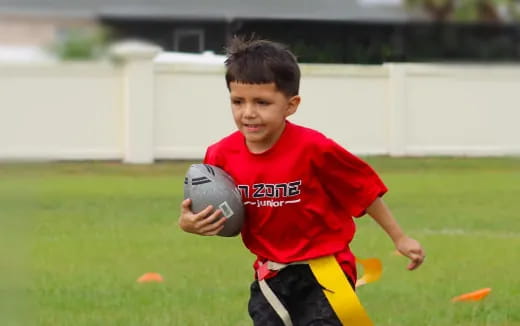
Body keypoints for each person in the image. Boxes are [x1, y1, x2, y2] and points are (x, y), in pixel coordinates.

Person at [178, 37, 425, 325]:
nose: (248, 113)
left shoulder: (314, 148)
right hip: (271, 274)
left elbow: (364, 191)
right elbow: (216, 209)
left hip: (326, 268)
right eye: (238, 101)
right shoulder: (219, 155)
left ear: (291, 105)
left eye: (262, 102)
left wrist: (400, 237)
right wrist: (189, 223)